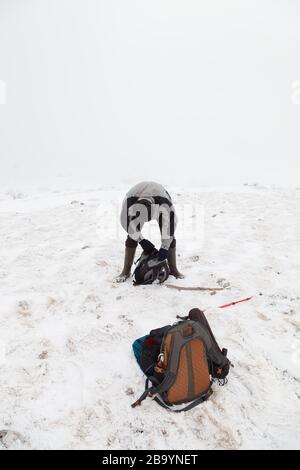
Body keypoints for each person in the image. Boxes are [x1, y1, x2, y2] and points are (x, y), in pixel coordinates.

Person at [116, 181, 184, 282]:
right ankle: (125, 271)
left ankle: (173, 270)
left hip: (160, 202)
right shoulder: (129, 200)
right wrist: (141, 240)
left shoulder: (164, 203)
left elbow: (170, 227)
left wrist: (164, 248)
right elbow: (124, 222)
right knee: (131, 236)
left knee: (170, 236)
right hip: (136, 197)